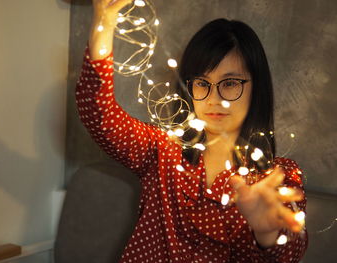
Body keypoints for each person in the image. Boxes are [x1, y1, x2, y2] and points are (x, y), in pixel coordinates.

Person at [75, 0, 308, 262]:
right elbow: (100, 116)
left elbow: (288, 253)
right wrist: (103, 24)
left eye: (230, 83)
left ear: (257, 87)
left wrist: (266, 232)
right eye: (202, 83)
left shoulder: (276, 177)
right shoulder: (162, 151)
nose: (214, 99)